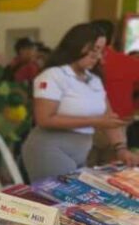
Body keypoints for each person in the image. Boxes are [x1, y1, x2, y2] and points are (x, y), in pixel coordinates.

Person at [22, 23, 138, 183]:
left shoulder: (94, 79)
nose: (97, 56)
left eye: (101, 51)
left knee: (76, 201)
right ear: (77, 45)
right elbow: (45, 119)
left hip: (81, 151)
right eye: (94, 49)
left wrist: (121, 148)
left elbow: (108, 117)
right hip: (50, 149)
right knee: (58, 201)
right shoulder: (53, 75)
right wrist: (95, 122)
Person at [87, 20, 139, 164]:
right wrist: (132, 110)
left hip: (87, 125)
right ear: (114, 36)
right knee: (110, 176)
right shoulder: (129, 62)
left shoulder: (82, 65)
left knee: (83, 173)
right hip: (119, 124)